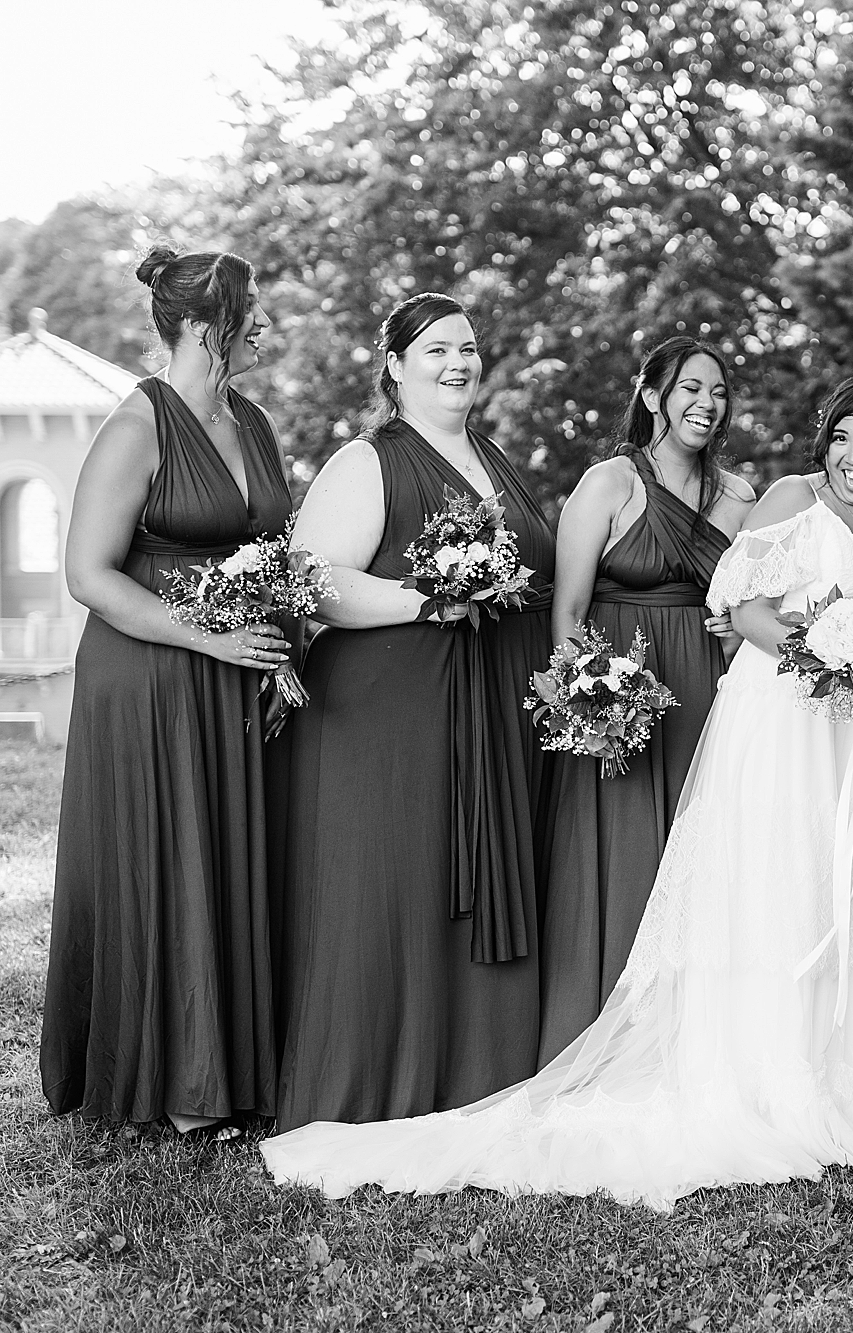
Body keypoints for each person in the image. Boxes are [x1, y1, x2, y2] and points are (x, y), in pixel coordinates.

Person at [261, 373, 853, 1210]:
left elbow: (769, 604)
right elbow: (724, 603)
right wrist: (829, 653)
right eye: (844, 436)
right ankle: (768, 1063)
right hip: (781, 718)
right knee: (760, 884)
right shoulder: (716, 491)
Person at [272, 292, 556, 1132]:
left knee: (467, 886)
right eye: (435, 349)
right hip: (389, 720)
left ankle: (479, 1073)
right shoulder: (368, 461)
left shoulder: (494, 460)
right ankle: (378, 1085)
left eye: (467, 348)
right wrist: (430, 599)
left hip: (495, 716)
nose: (457, 363)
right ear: (395, 365)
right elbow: (314, 580)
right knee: (396, 893)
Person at [41, 245, 292, 1131]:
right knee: (169, 854)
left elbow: (275, 553)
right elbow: (88, 574)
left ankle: (237, 1061)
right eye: (248, 313)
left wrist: (274, 653)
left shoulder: (253, 422)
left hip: (235, 669)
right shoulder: (138, 425)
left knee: (224, 854)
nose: (263, 324)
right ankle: (179, 1083)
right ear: (198, 327)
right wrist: (207, 638)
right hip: (148, 672)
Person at [537, 337, 756, 1064]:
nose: (707, 403)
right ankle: (596, 1034)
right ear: (654, 394)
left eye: (719, 391)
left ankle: (690, 1047)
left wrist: (732, 630)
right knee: (621, 861)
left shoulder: (739, 497)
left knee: (696, 860)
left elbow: (745, 612)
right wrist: (596, 705)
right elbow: (566, 615)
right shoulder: (610, 482)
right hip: (619, 696)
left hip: (701, 695)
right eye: (692, 387)